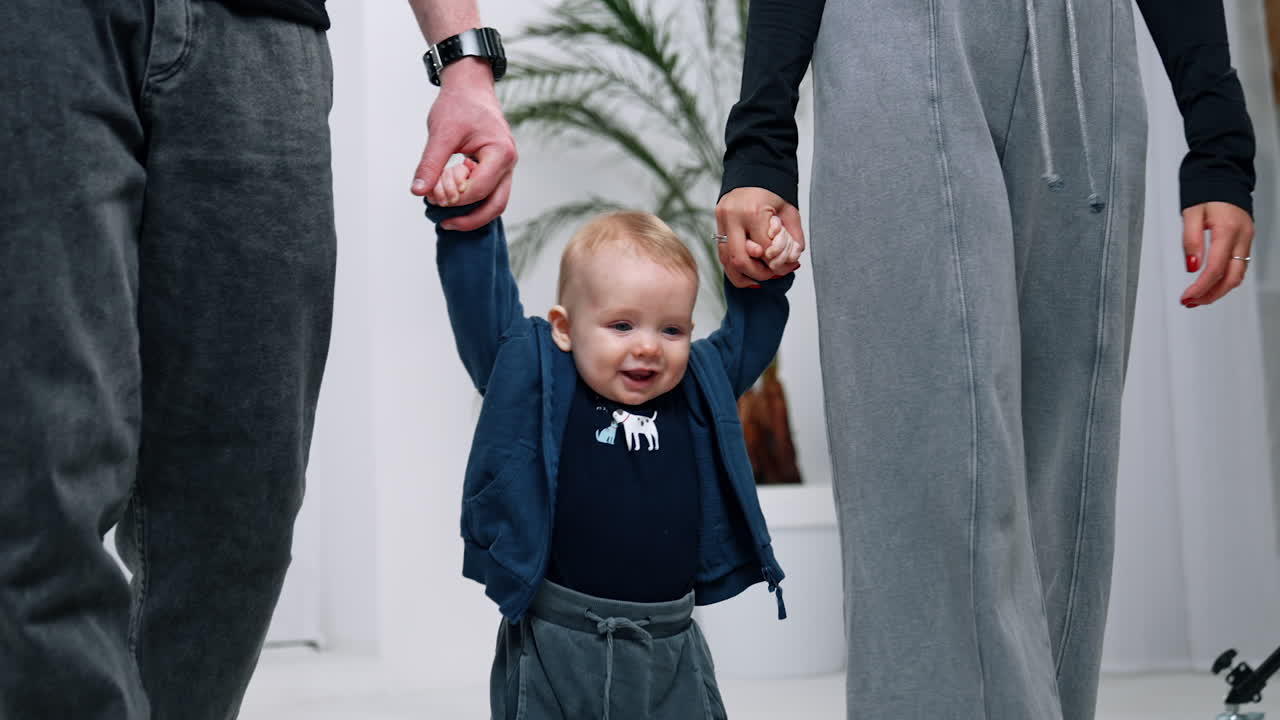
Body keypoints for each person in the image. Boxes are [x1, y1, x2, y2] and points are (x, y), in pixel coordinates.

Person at [715, 1, 1255, 719]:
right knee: (922, 462)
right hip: (889, 32)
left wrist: (1220, 141)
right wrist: (759, 141)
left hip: (1081, 49)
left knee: (1066, 472)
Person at [0, 1, 513, 718]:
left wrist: (464, 58)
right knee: (43, 477)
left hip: (265, 34)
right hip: (41, 28)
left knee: (242, 513)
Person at [425, 160, 802, 720]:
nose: (649, 347)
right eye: (622, 325)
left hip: (671, 645)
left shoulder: (700, 383)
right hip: (560, 642)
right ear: (564, 327)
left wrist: (765, 272)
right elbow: (484, 312)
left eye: (671, 328)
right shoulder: (535, 374)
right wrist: (468, 225)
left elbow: (750, 334)